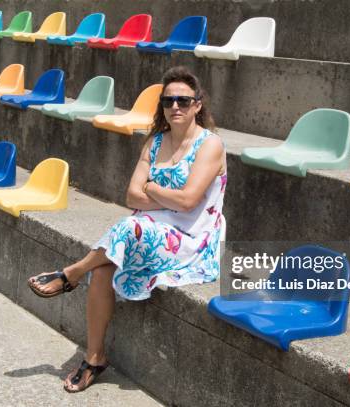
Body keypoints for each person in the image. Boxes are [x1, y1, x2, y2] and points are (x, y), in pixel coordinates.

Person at [28, 66, 227, 392]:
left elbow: (190, 201)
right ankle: (94, 357)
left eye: (183, 100)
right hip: (152, 232)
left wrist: (152, 189)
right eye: (168, 100)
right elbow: (131, 194)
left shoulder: (210, 145)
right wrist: (163, 197)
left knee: (128, 228)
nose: (175, 106)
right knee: (105, 268)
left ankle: (72, 273)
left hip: (193, 241)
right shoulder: (155, 142)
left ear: (198, 105)